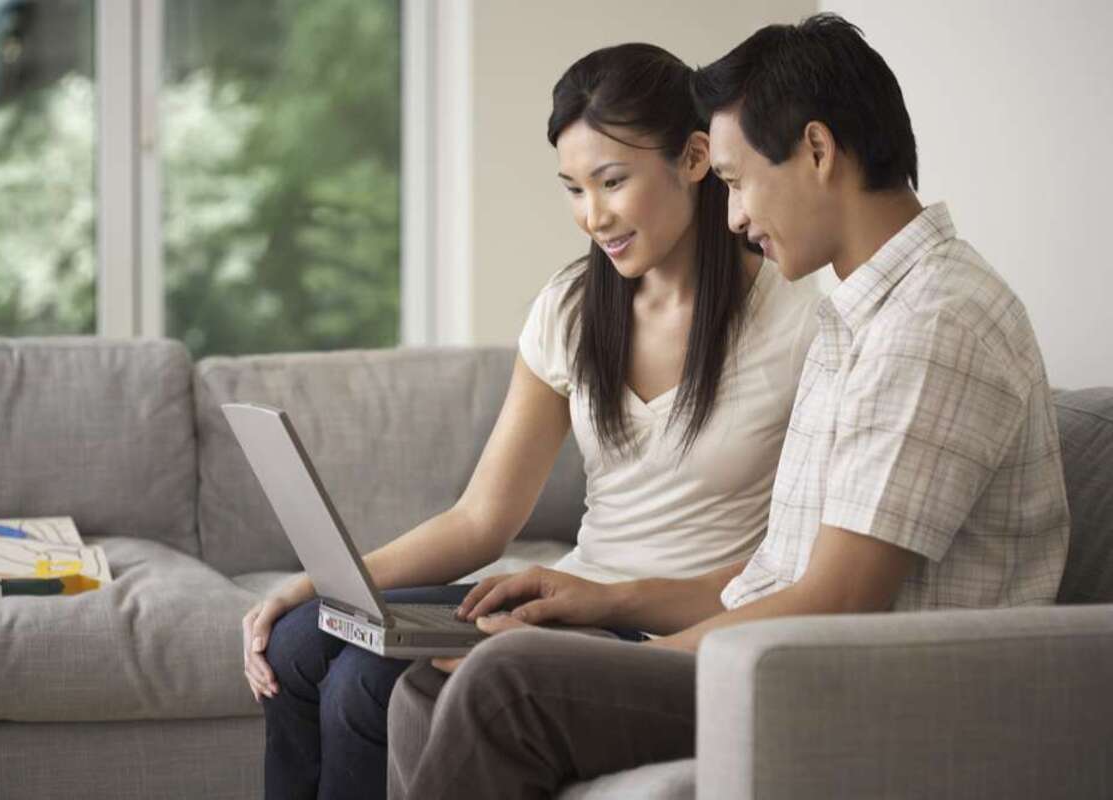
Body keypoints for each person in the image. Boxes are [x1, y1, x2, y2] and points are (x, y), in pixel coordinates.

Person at [386, 14, 1071, 800]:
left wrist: (610, 661)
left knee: (508, 680)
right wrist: (606, 601)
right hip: (792, 651)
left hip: (860, 685)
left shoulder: (935, 321)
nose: (735, 215)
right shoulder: (859, 316)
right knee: (427, 688)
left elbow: (838, 601)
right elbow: (778, 575)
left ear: (816, 151)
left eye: (739, 181)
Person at [243, 43, 822, 799]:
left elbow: (793, 569)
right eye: (573, 189)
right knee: (295, 643)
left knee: (362, 684)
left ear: (692, 158)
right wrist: (319, 583)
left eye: (611, 182)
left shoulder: (797, 319)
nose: (593, 217)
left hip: (651, 628)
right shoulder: (572, 308)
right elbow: (482, 518)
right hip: (568, 591)